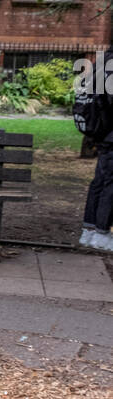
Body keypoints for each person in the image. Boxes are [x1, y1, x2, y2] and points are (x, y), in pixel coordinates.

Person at [78, 47, 113, 252]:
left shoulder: (103, 60)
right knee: (109, 183)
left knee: (100, 181)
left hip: (103, 133)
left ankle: (90, 230)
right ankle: (101, 233)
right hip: (110, 133)